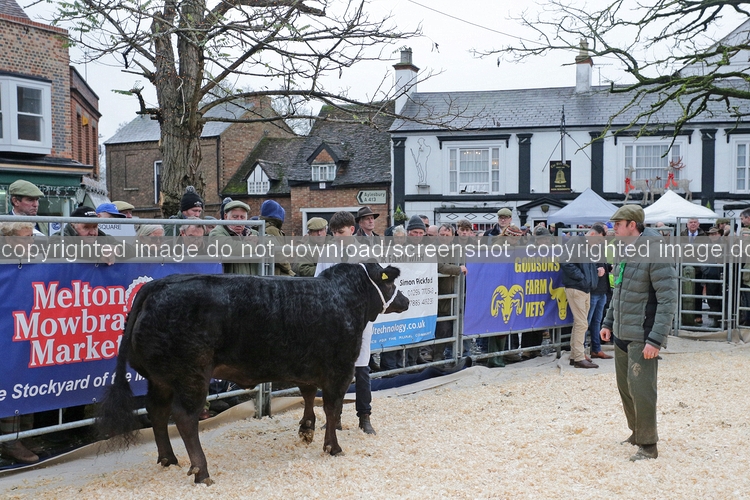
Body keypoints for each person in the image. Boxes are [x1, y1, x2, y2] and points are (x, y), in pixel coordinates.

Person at [601, 204, 677, 462]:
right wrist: (608, 322)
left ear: (632, 225)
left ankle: (648, 444)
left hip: (642, 333)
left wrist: (656, 339)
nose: (613, 229)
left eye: (617, 224)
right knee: (626, 387)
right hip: (622, 330)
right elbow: (618, 291)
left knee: (642, 390)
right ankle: (636, 432)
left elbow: (667, 299)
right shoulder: (623, 250)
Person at [314, 211, 376, 434]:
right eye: (334, 233)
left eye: (341, 232)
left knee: (361, 367)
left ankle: (364, 417)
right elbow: (319, 282)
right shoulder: (327, 252)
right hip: (334, 320)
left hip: (360, 319)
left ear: (352, 229)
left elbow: (375, 285)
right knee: (332, 370)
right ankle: (334, 418)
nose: (337, 236)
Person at [0, 221, 40, 464]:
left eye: (31, 237)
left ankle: (26, 433)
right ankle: (9, 440)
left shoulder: (32, 257)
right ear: (8, 240)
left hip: (27, 324)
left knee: (27, 377)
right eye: (25, 238)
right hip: (7, 327)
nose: (31, 242)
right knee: (10, 378)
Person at [561, 231, 599, 368]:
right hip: (577, 287)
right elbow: (565, 261)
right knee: (582, 323)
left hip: (583, 287)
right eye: (599, 239)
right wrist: (582, 278)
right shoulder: (576, 242)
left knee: (580, 323)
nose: (599, 243)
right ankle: (578, 357)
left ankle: (575, 355)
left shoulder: (585, 244)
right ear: (593, 234)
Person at [209, 200, 260, 276]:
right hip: (229, 282)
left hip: (252, 281)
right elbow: (231, 248)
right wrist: (254, 244)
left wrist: (258, 240)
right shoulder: (216, 233)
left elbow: (273, 242)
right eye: (235, 217)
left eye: (242, 217)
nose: (239, 221)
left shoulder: (251, 232)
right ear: (226, 216)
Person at [587, 223, 613, 360]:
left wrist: (609, 267)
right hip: (593, 289)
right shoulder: (585, 247)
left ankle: (596, 349)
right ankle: (581, 351)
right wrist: (596, 271)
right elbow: (586, 267)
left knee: (596, 321)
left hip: (602, 289)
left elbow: (601, 264)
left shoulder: (598, 247)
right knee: (586, 322)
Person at [260, 200, 294, 276]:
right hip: (276, 272)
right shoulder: (272, 230)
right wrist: (290, 271)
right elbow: (278, 255)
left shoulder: (263, 227)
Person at [681, 218, 706, 325]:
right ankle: (682, 315)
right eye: (691, 222)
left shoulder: (704, 236)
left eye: (695, 222)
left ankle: (698, 315)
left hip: (698, 268)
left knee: (698, 292)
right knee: (682, 291)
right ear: (687, 224)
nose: (693, 224)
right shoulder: (681, 235)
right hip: (683, 267)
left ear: (698, 224)